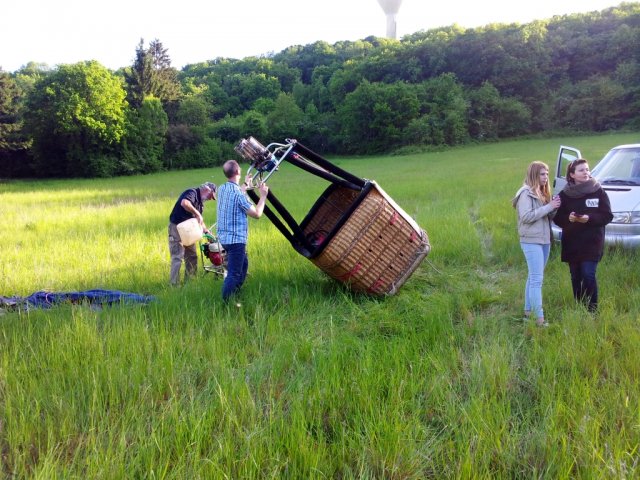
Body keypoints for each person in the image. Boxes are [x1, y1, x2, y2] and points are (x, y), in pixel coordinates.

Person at [553, 158, 613, 312]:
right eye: (581, 170)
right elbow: (557, 218)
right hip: (572, 242)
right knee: (575, 276)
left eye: (587, 169)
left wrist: (590, 219)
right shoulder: (565, 195)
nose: (586, 172)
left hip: (592, 241)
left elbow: (607, 216)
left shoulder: (598, 190)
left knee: (588, 273)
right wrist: (569, 218)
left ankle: (592, 310)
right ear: (572, 174)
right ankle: (579, 306)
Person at [512, 161, 561, 327]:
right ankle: (539, 319)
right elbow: (526, 217)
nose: (546, 177)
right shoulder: (525, 193)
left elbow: (547, 216)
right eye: (542, 174)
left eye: (547, 174)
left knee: (533, 277)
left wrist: (554, 207)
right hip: (531, 240)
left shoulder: (541, 192)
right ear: (534, 174)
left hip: (544, 239)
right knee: (537, 280)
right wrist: (549, 207)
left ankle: (528, 312)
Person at [216, 160, 269, 304]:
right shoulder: (239, 195)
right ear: (238, 172)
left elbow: (237, 192)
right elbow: (257, 214)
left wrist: (246, 184)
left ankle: (235, 293)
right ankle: (227, 302)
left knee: (243, 265)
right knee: (234, 274)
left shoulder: (222, 189)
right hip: (236, 241)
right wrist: (263, 195)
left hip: (224, 239)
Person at [168, 182, 217, 285]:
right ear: (207, 190)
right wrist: (197, 213)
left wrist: (207, 232)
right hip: (176, 228)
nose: (209, 198)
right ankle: (174, 285)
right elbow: (184, 203)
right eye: (210, 195)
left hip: (188, 231)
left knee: (192, 256)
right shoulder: (192, 193)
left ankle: (190, 283)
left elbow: (199, 221)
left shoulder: (200, 204)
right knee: (177, 257)